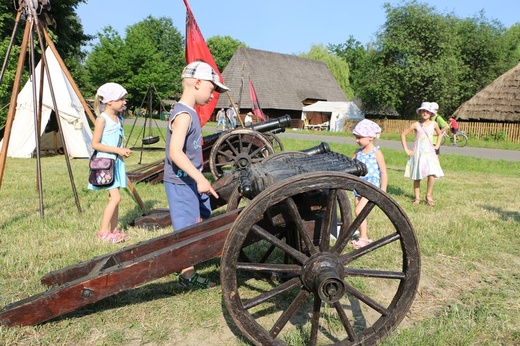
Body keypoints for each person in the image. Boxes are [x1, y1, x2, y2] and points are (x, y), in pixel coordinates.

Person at [164, 61, 228, 289]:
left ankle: (194, 260)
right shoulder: (183, 115)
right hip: (181, 182)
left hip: (190, 179)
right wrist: (200, 178)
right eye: (212, 90)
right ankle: (187, 275)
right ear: (198, 83)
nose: (212, 96)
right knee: (186, 229)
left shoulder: (189, 113)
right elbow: (175, 153)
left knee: (200, 218)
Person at [88, 82, 132, 244]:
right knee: (116, 198)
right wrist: (117, 150)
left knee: (115, 198)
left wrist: (122, 151)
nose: (124, 102)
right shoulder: (102, 119)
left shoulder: (118, 119)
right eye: (121, 99)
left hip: (116, 163)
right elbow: (95, 144)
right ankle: (103, 232)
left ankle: (114, 230)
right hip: (106, 163)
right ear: (110, 101)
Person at [350, 120, 388, 249]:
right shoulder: (358, 152)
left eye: (360, 137)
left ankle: (364, 238)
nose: (357, 140)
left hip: (370, 186)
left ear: (371, 137)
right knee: (360, 212)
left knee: (359, 210)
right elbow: (351, 166)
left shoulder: (376, 153)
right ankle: (362, 234)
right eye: (356, 137)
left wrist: (382, 190)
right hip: (359, 185)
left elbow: (383, 172)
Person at [401, 102, 444, 206]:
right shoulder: (416, 125)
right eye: (423, 111)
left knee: (431, 174)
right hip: (418, 153)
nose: (425, 113)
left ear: (431, 113)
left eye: (427, 111)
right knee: (417, 175)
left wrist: (437, 145)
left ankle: (428, 195)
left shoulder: (434, 124)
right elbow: (403, 134)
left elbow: (440, 134)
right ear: (420, 112)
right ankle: (417, 197)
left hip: (430, 152)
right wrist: (406, 149)